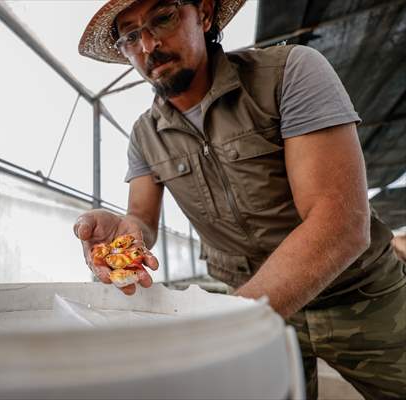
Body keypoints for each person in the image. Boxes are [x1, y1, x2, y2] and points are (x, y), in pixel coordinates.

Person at [73, 0, 405, 398]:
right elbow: (140, 219)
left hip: (360, 296)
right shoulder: (145, 135)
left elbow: (341, 223)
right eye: (129, 36)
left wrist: (229, 321)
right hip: (252, 302)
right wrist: (126, 234)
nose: (148, 45)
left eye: (163, 17)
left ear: (206, 14)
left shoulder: (288, 72)